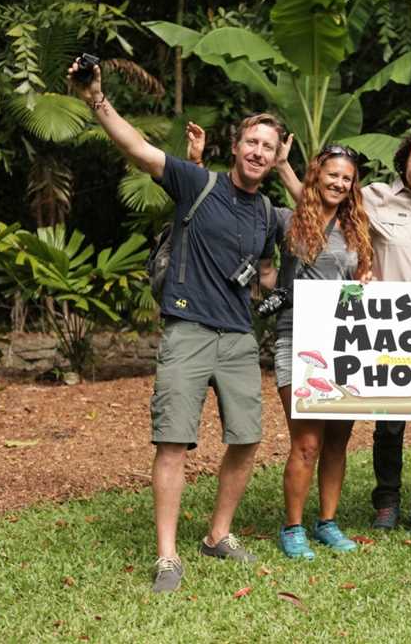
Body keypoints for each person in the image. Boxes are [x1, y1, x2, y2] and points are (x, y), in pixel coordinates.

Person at [67, 59, 281, 593]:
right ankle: (167, 558)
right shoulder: (195, 182)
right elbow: (137, 148)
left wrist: (272, 291)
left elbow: (279, 262)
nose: (258, 152)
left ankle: (218, 535)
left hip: (238, 336)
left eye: (269, 147)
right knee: (173, 442)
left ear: (277, 158)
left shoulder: (267, 212)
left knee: (247, 439)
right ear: (236, 146)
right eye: (252, 142)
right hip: (187, 328)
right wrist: (97, 98)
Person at [273, 129, 411, 538]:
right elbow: (318, 204)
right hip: (382, 330)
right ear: (404, 162)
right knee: (388, 425)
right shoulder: (375, 197)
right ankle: (385, 503)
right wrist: (282, 168)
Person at [271, 145, 374, 559]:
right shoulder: (290, 221)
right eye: (332, 174)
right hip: (296, 338)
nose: (338, 183)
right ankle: (292, 526)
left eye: (346, 178)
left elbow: (362, 276)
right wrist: (281, 165)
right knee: (307, 442)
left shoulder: (356, 228)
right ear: (316, 176)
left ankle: (327, 521)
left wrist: (365, 281)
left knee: (337, 440)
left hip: (343, 342)